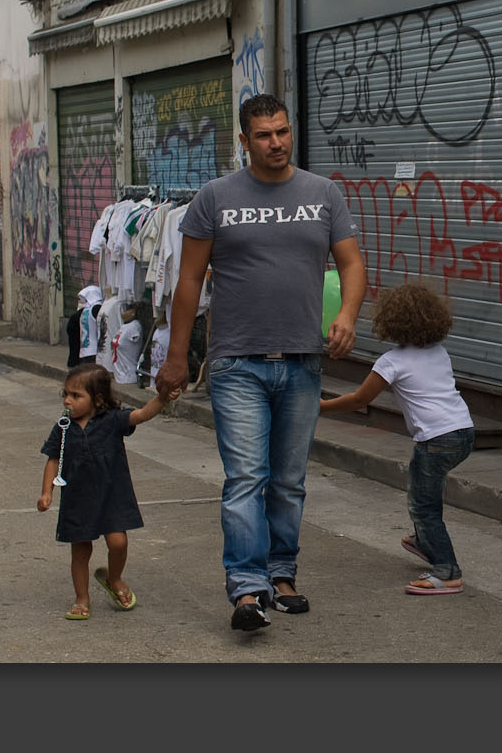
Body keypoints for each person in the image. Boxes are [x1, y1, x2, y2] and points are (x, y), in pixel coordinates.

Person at [154, 93, 366, 633]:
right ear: (243, 141)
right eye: (264, 135)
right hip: (236, 362)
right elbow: (189, 281)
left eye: (283, 132)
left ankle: (283, 575)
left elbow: (352, 263)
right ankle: (248, 589)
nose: (276, 142)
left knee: (289, 480)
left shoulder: (323, 193)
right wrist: (177, 357)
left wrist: (346, 313)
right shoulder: (214, 198)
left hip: (302, 360)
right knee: (246, 477)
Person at [320, 282, 476, 595]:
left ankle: (447, 571)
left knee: (424, 506)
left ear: (390, 321)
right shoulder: (439, 351)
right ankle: (423, 542)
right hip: (463, 432)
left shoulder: (392, 361)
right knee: (423, 494)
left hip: (435, 440)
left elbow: (359, 400)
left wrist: (320, 407)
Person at [38, 363, 167, 620]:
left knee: (118, 542)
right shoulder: (63, 427)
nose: (67, 400)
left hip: (112, 495)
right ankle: (82, 598)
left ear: (97, 400)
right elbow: (53, 459)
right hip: (78, 500)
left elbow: (140, 415)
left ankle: (114, 578)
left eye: (76, 395)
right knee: (80, 550)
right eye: (65, 394)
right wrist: (46, 492)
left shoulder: (112, 421)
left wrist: (162, 398)